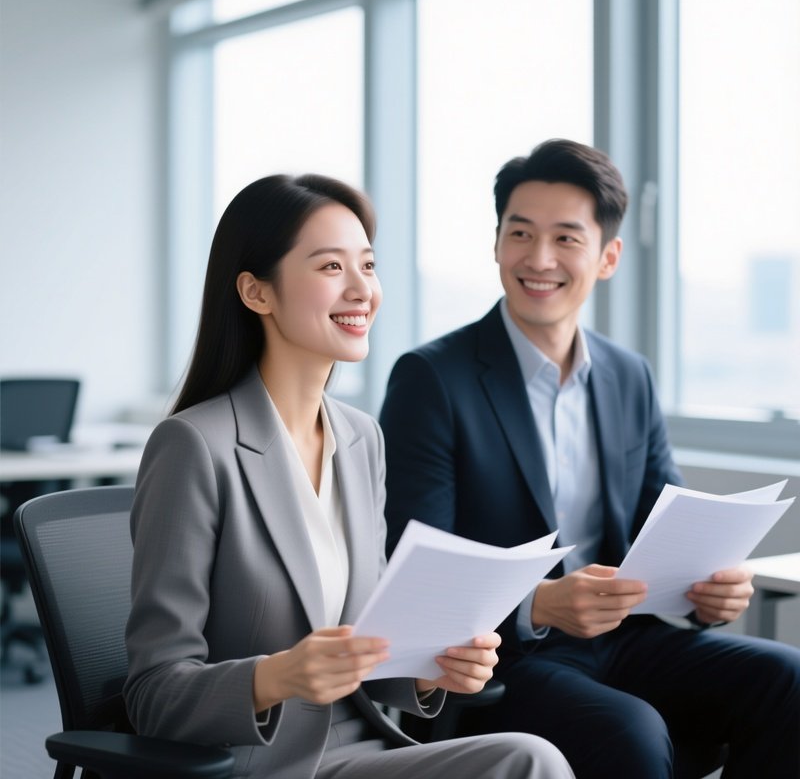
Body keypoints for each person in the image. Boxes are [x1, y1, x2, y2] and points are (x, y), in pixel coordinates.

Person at [123, 173, 573, 779]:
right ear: (257, 293)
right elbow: (153, 695)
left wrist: (431, 669)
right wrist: (275, 676)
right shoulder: (194, 446)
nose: (363, 290)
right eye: (332, 267)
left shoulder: (361, 438)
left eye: (368, 265)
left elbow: (371, 645)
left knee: (529, 755)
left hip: (365, 751)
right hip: (260, 765)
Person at [379, 140, 800, 779]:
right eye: (521, 233)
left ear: (607, 257)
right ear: (496, 244)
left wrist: (710, 590)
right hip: (500, 657)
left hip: (624, 636)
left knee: (788, 679)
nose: (539, 258)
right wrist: (539, 604)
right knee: (629, 729)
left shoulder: (629, 375)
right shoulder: (433, 378)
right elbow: (414, 572)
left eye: (566, 238)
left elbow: (668, 528)